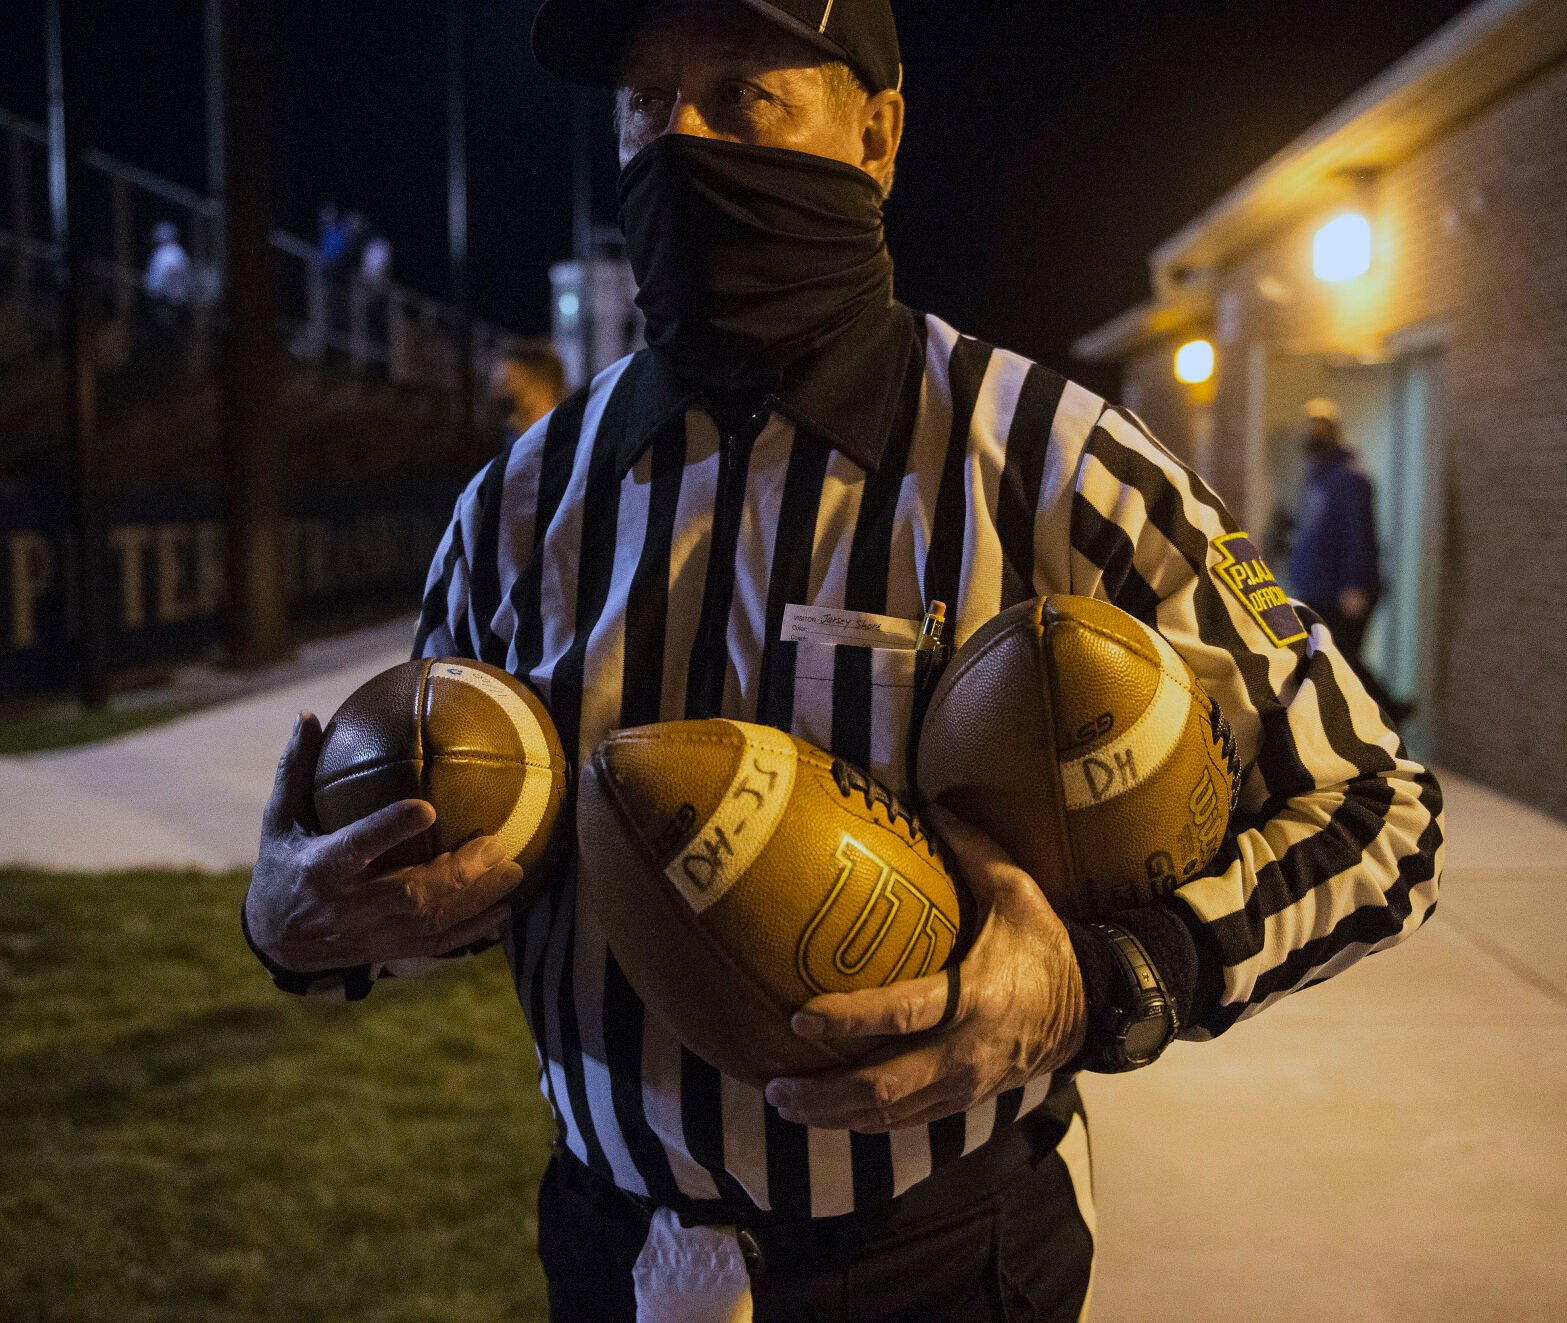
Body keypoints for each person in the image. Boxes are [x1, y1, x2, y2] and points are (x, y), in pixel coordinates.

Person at [243, 4, 1444, 1319]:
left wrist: (1103, 982)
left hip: (935, 1256)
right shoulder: (520, 502)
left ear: (876, 134)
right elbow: (442, 871)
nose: (679, 138)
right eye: (647, 102)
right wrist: (301, 916)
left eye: (743, 93)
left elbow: (1377, 815)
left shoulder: (1054, 459)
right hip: (610, 1245)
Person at [1287, 398, 1407, 719]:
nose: (1313, 435)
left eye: (1320, 429)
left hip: (1339, 593)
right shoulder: (1317, 477)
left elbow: (1360, 535)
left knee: (1342, 659)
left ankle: (1387, 710)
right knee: (1331, 658)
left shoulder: (1351, 478)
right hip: (1315, 589)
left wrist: (1354, 585)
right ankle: (1383, 710)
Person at [489, 341, 569, 438]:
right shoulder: (513, 437)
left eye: (508, 381)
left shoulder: (568, 438)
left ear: (540, 384)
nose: (497, 393)